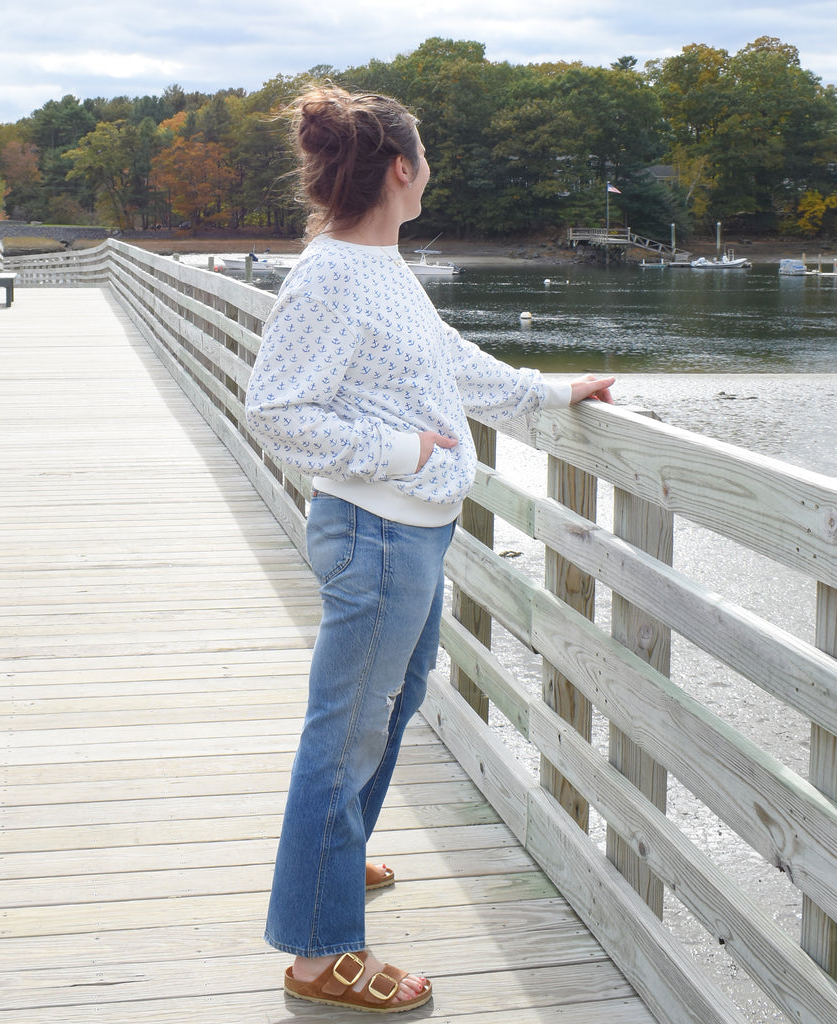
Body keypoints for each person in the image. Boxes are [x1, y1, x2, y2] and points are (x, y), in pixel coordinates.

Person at [244, 84, 614, 1014]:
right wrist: (400, 452)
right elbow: (276, 411)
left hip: (410, 531)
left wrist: (549, 392)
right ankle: (320, 957)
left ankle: (331, 861)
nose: (431, 171)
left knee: (391, 705)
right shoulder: (331, 277)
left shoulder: (383, 268)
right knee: (346, 732)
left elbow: (445, 362)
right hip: (374, 532)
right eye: (427, 157)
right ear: (401, 169)